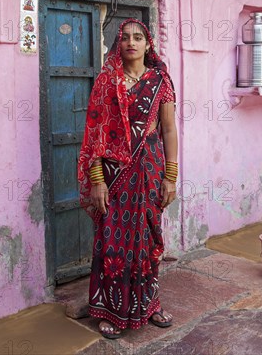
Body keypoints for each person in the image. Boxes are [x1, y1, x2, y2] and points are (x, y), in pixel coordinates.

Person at [78, 18, 178, 339]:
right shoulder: (108, 82)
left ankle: (149, 304)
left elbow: (168, 130)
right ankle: (112, 310)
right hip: (114, 175)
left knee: (148, 239)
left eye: (138, 37)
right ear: (118, 44)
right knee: (113, 242)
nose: (131, 42)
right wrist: (97, 180)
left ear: (148, 44)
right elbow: (94, 135)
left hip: (150, 170)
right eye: (125, 38)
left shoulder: (160, 82)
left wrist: (171, 176)